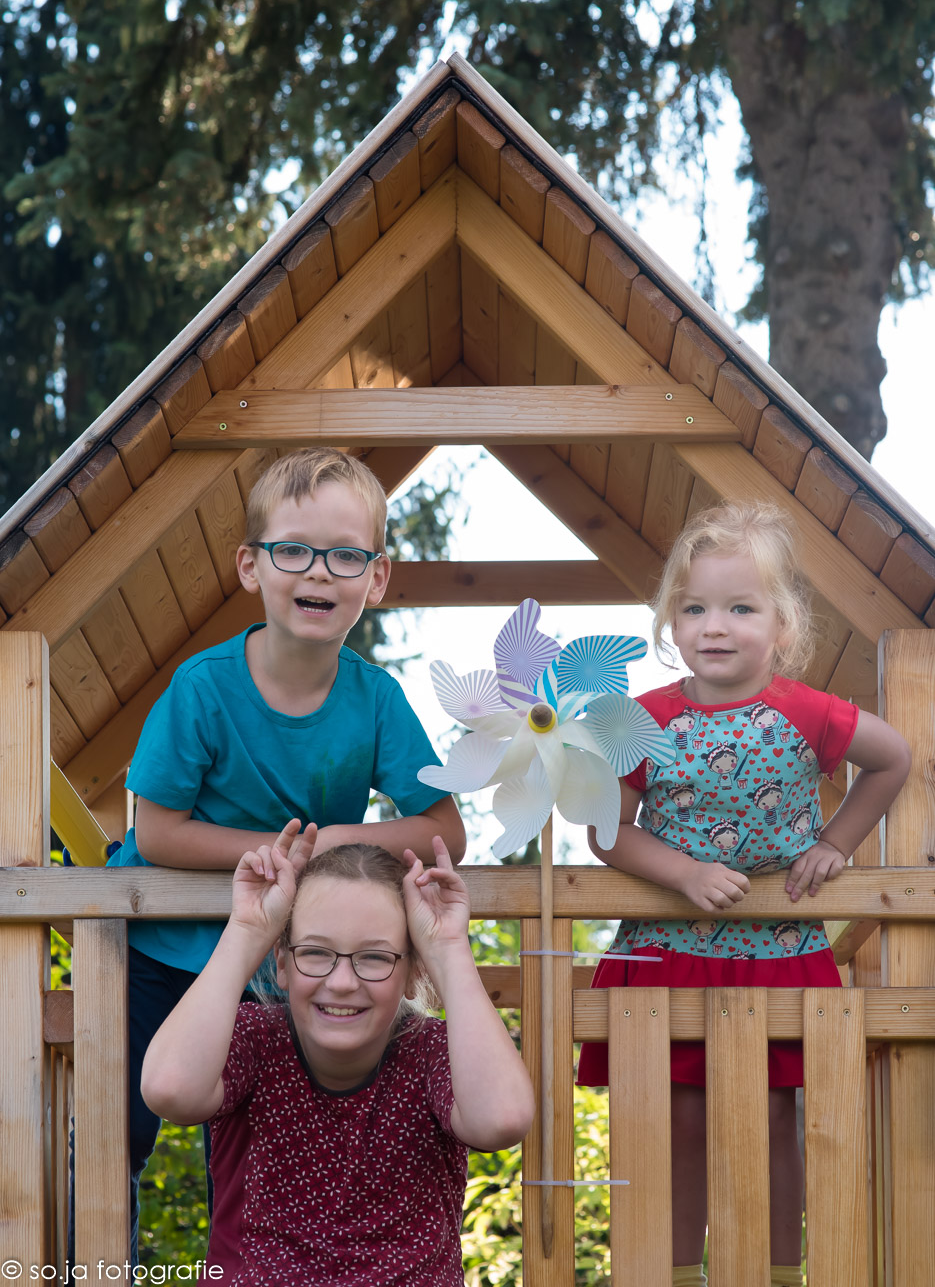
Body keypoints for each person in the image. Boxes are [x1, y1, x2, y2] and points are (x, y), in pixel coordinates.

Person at [105, 447, 464, 1257]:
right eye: (293, 550)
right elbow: (157, 831)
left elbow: (442, 826)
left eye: (345, 555)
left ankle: (241, 1272)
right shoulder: (203, 687)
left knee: (251, 1141)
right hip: (161, 948)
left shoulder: (376, 700)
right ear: (251, 566)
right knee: (117, 1126)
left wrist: (336, 842)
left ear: (376, 578)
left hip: (281, 956)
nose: (319, 571)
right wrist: (279, 855)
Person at [576, 502, 911, 1287]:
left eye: (739, 608)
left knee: (774, 1119)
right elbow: (604, 831)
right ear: (669, 622)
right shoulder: (641, 720)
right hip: (669, 949)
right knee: (676, 1120)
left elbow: (892, 758)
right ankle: (669, 1274)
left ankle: (776, 1272)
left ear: (782, 624)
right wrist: (683, 874)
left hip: (777, 947)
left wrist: (835, 844)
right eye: (693, 609)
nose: (713, 626)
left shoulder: (806, 712)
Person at [141, 824, 535, 1284]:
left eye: (375, 957)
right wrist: (247, 930)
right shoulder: (255, 1037)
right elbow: (170, 1090)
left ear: (412, 973)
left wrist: (448, 949)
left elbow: (501, 1120)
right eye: (315, 953)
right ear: (282, 962)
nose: (342, 982)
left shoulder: (431, 1050)